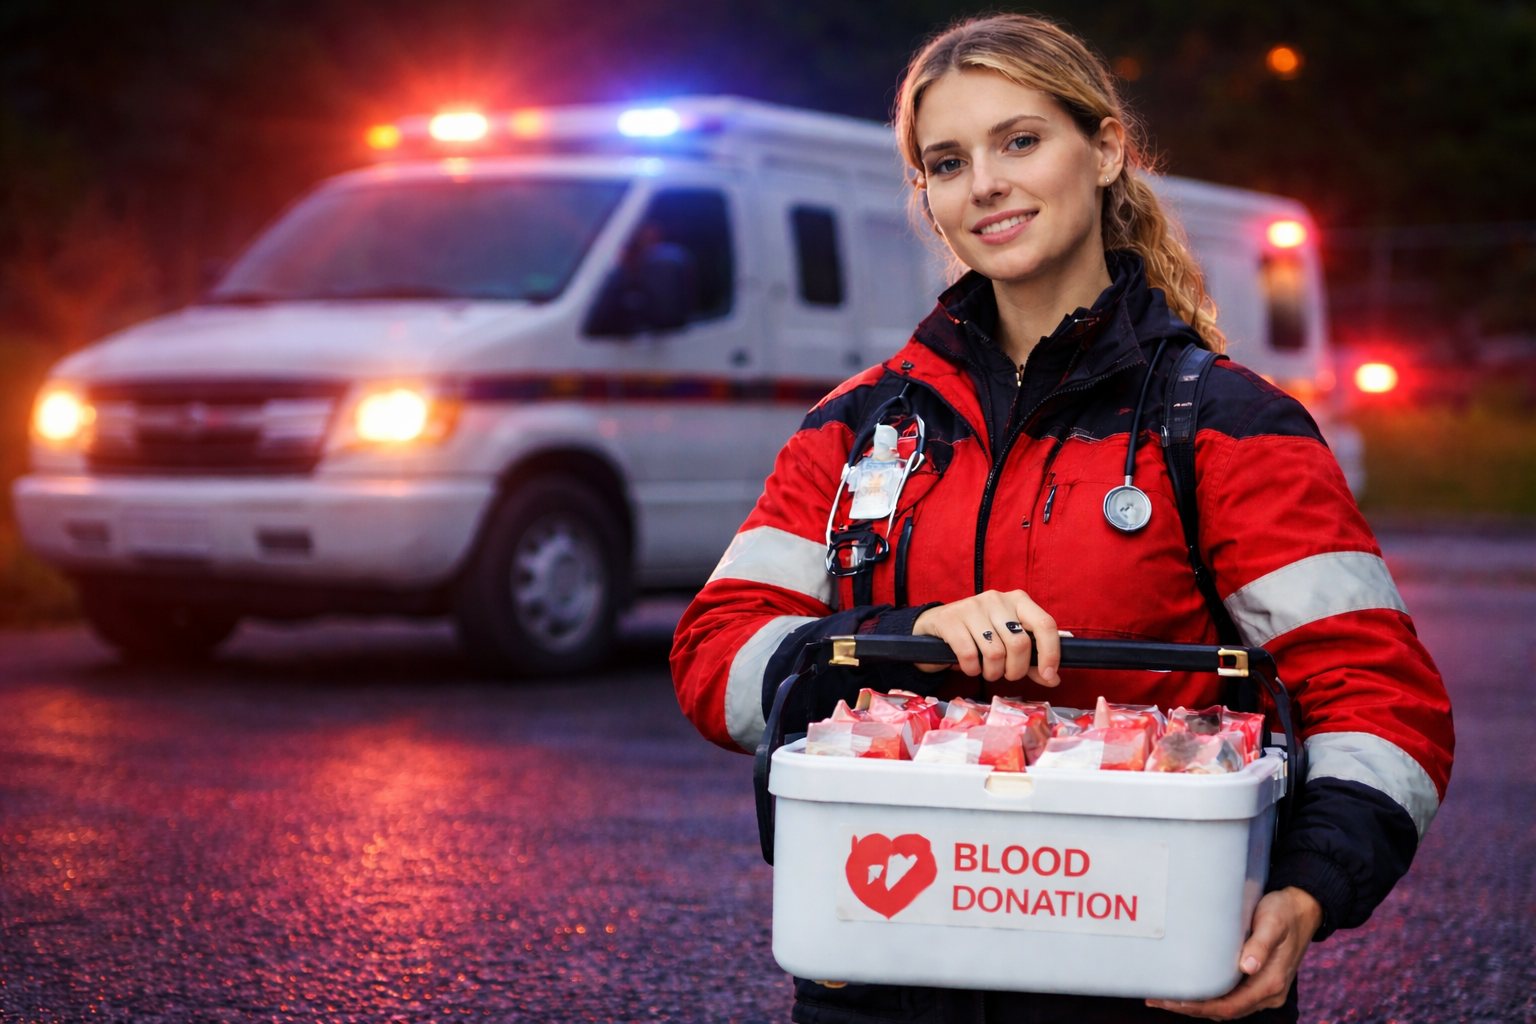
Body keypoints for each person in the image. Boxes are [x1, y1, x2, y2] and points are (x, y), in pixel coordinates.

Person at [671, 13, 1453, 1024]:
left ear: (1107, 150)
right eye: (946, 162)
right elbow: (714, 651)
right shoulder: (857, 425)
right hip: (881, 970)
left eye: (1020, 140)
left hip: (1144, 979)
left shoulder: (1227, 423)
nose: (984, 182)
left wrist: (1304, 895)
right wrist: (894, 639)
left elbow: (1375, 693)